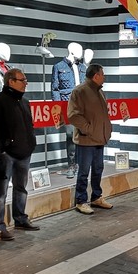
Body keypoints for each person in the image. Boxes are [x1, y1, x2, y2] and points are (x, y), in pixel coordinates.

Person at [0, 68, 39, 241]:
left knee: (21, 188)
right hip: (6, 155)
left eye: (25, 79)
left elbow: (28, 125)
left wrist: (31, 143)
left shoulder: (24, 102)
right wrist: (1, 149)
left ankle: (20, 218)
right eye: (22, 80)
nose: (26, 83)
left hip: (24, 153)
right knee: (0, 193)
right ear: (11, 81)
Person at [68, 63, 113, 214]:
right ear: (96, 76)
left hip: (99, 139)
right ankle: (80, 201)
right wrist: (88, 129)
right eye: (103, 74)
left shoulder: (100, 92)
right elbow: (74, 115)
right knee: (84, 171)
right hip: (86, 140)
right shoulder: (79, 91)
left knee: (98, 169)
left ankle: (96, 197)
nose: (104, 77)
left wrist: (105, 130)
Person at [51, 42, 87, 179]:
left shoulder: (83, 67)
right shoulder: (59, 67)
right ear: (71, 51)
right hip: (68, 105)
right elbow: (55, 89)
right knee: (71, 135)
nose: (81, 52)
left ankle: (81, 164)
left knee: (83, 135)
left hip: (83, 107)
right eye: (79, 50)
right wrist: (58, 109)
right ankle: (71, 165)